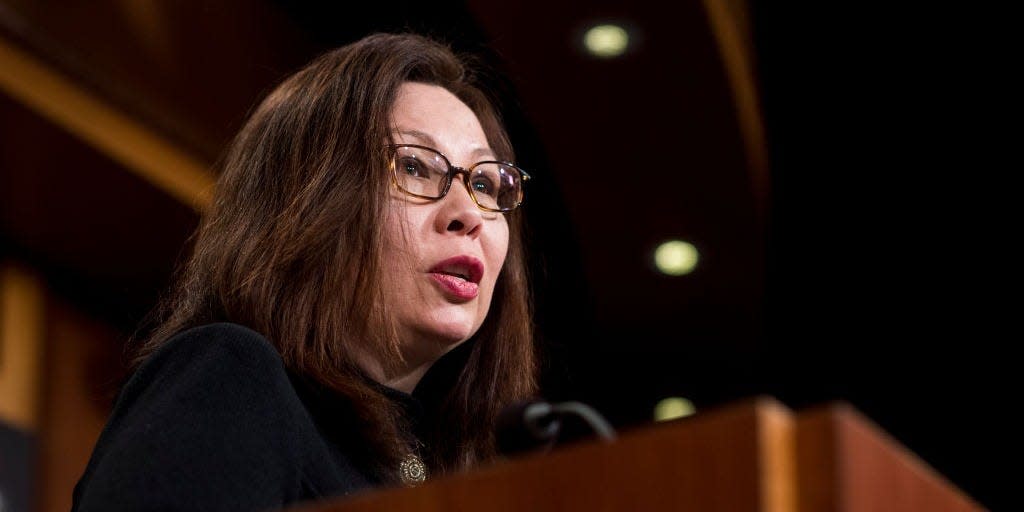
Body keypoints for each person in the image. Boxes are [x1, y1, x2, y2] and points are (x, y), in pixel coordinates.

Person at [72, 33, 536, 511]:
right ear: (307, 202)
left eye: (484, 182)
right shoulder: (231, 379)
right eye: (416, 166)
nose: (470, 213)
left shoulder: (459, 469)